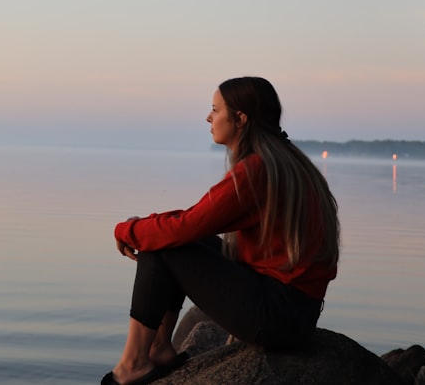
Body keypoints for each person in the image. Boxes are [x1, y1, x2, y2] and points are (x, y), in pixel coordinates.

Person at [102, 77, 340, 385]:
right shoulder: (286, 162)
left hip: (277, 317)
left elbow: (186, 226)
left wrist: (126, 230)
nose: (208, 118)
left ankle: (132, 365)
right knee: (166, 237)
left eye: (215, 110)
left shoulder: (258, 170)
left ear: (240, 119)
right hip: (295, 313)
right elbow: (196, 222)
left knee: (165, 243)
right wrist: (142, 226)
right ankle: (159, 349)